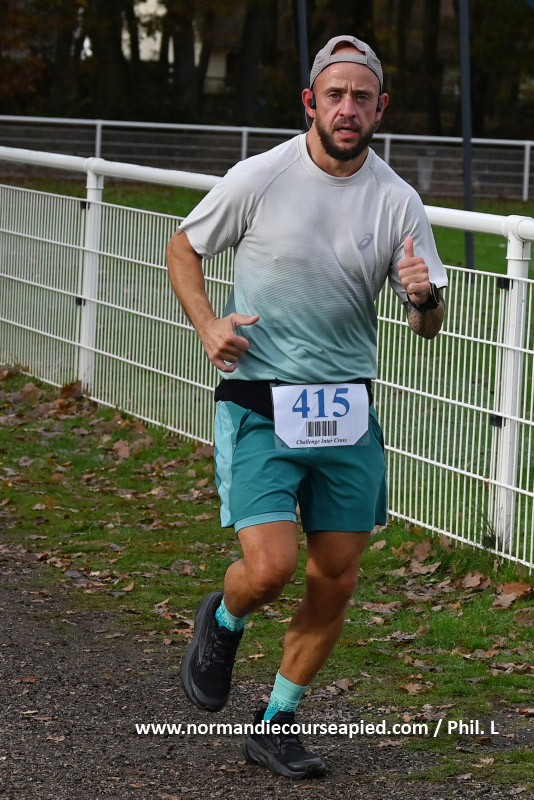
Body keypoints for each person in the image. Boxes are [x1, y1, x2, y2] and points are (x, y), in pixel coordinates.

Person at [166, 34, 447, 779]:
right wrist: (209, 326)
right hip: (260, 397)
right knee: (270, 569)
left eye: (362, 97)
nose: (348, 108)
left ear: (380, 108)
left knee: (336, 577)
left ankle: (277, 721)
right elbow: (183, 247)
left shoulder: (397, 200)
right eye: (335, 94)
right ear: (310, 102)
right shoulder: (262, 177)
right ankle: (224, 618)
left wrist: (422, 299)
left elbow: (426, 322)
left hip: (346, 406)